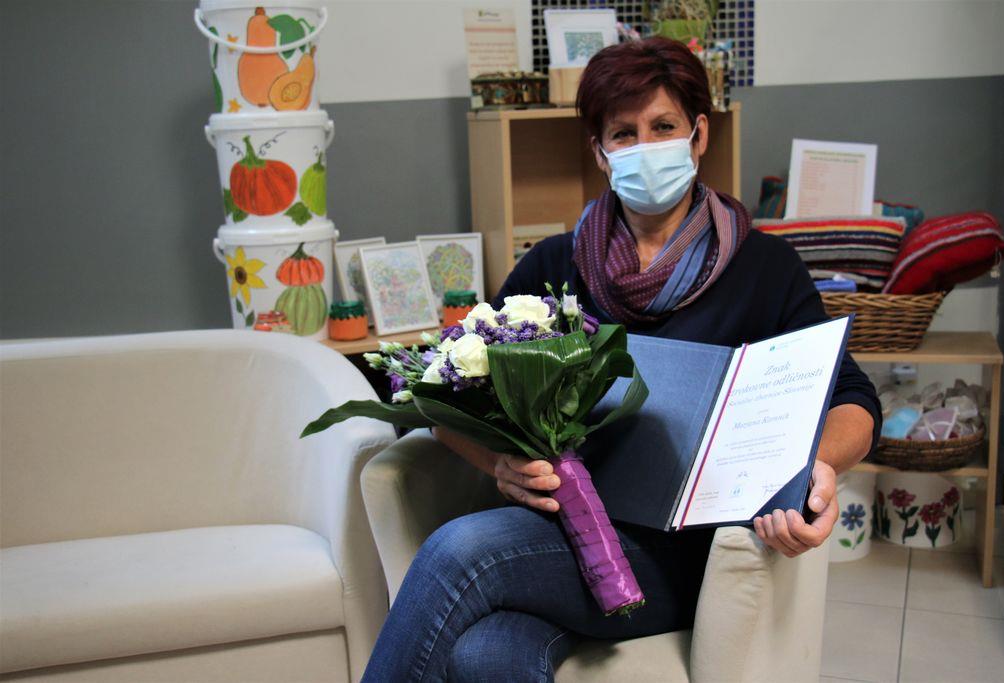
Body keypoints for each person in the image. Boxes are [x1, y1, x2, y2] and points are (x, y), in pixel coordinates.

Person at [362, 37, 880, 682]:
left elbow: (852, 396)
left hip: (683, 556)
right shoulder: (553, 265)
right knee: (487, 655)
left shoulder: (764, 269)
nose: (645, 147)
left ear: (698, 136)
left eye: (663, 127)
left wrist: (816, 468)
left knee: (460, 550)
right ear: (600, 153)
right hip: (558, 535)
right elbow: (448, 389)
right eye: (623, 134)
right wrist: (498, 464)